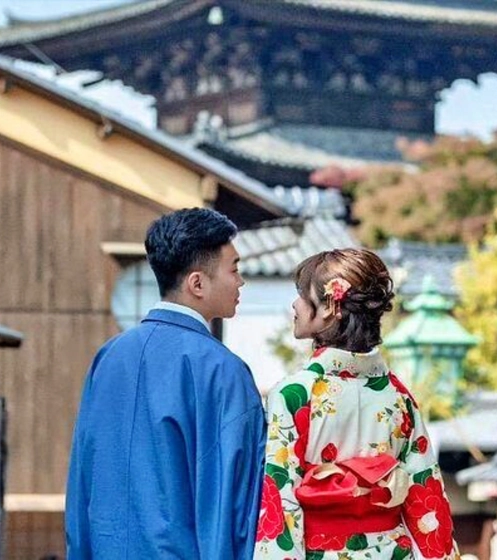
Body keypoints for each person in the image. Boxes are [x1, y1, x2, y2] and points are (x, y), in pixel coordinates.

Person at [65, 208, 266, 559]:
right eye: (234, 269)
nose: (241, 281)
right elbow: (235, 506)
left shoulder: (108, 358)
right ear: (197, 284)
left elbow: (82, 481)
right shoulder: (223, 371)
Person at [253, 248, 459, 560]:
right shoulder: (398, 396)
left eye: (302, 295)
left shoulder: (294, 395)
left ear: (330, 306)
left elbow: (280, 501)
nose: (294, 305)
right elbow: (426, 496)